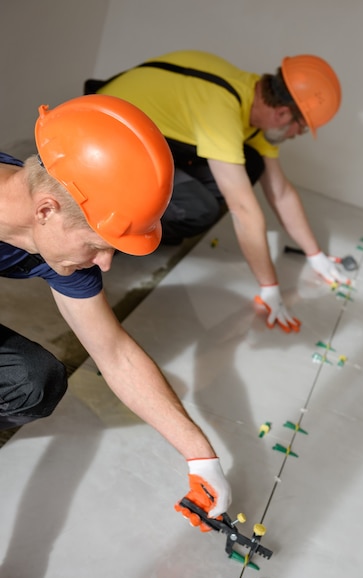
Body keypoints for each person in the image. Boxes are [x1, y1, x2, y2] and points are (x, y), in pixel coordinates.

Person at [0, 93, 231, 529]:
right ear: (46, 211)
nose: (105, 263)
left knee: (32, 381)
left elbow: (114, 353)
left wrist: (201, 457)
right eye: (97, 246)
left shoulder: (45, 228)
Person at [85, 50, 350, 334]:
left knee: (251, 163)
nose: (296, 134)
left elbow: (281, 192)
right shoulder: (222, 107)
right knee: (199, 209)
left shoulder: (250, 97)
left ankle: (148, 220)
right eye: (299, 128)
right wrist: (270, 288)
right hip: (98, 142)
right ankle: (111, 232)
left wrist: (316, 256)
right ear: (283, 113)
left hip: (142, 136)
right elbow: (244, 209)